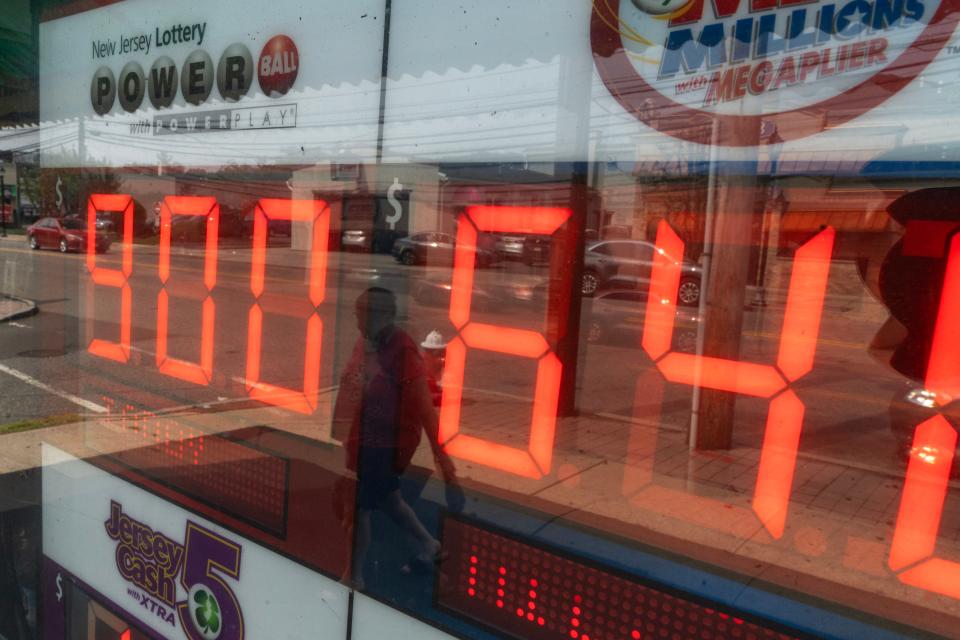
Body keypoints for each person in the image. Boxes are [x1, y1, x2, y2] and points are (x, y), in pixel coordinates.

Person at [333, 287, 464, 589]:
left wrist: (444, 461)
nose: (357, 323)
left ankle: (354, 575)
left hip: (385, 444)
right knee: (390, 500)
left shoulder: (402, 350)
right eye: (356, 315)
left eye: (363, 315)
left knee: (360, 510)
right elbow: (352, 388)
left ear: (385, 316)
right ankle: (428, 544)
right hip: (363, 440)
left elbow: (424, 408)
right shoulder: (366, 343)